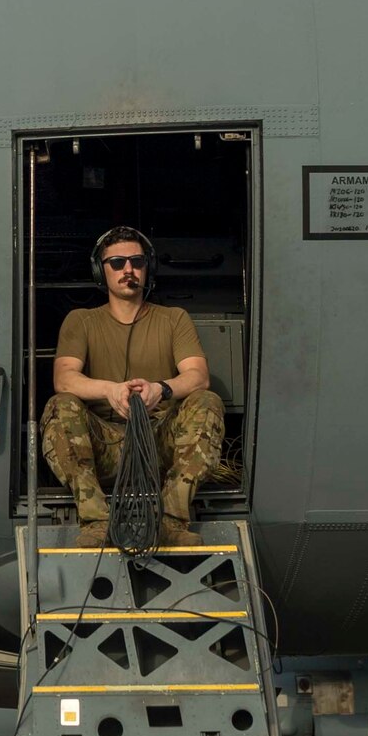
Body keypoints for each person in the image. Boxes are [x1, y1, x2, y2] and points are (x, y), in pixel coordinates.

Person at [42, 226, 225, 548]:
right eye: (117, 263)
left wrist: (161, 389)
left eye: (136, 262)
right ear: (102, 271)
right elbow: (65, 378)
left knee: (207, 400)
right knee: (61, 405)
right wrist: (110, 390)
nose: (128, 270)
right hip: (106, 446)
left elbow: (198, 375)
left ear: (147, 267)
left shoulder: (173, 318)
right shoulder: (81, 320)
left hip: (158, 441)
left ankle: (171, 521)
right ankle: (97, 522)